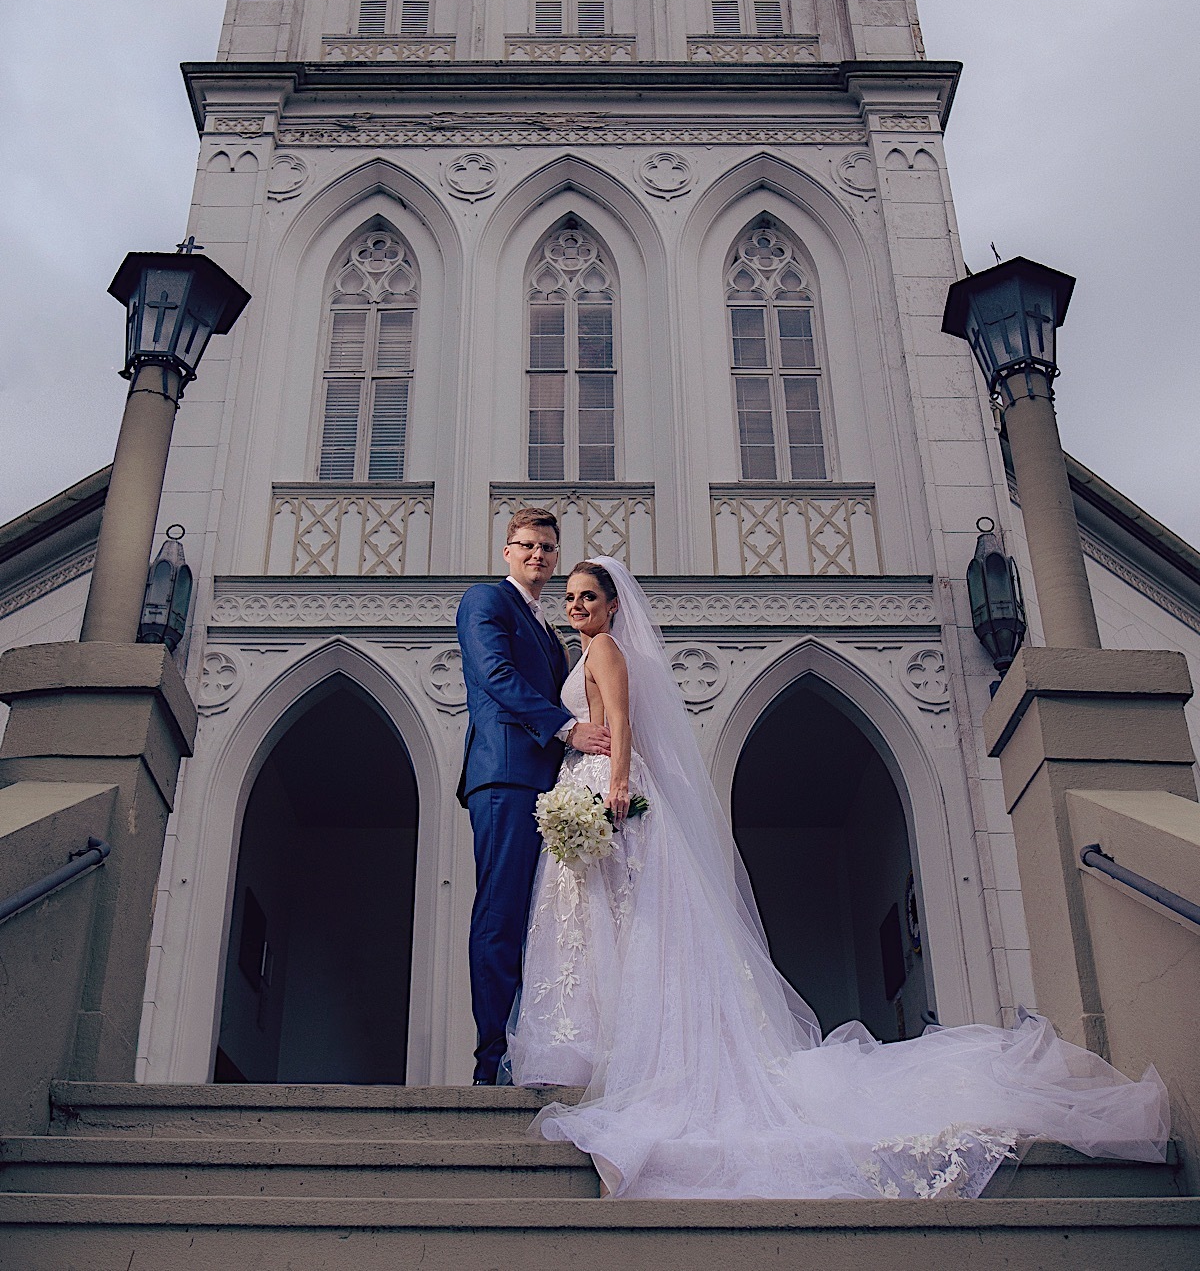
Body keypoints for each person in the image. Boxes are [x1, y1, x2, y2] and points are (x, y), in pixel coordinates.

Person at [507, 556, 1170, 1199]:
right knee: (607, 921)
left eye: (588, 598)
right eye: (570, 599)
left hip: (611, 792)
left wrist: (617, 784)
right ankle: (606, 1041)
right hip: (585, 786)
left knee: (631, 920)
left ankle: (627, 1051)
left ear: (614, 604)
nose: (577, 607)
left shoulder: (605, 652)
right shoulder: (583, 652)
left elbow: (620, 722)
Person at [455, 509, 610, 1085]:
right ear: (507, 551)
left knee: (544, 919)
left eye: (547, 548)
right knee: (500, 911)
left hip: (552, 785)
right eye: (527, 546)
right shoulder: (485, 602)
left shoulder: (549, 628)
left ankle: (532, 1045)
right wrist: (569, 730)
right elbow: (495, 674)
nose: (538, 556)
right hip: (505, 776)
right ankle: (490, 1060)